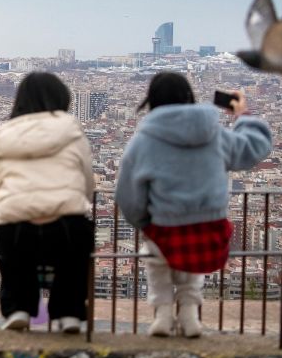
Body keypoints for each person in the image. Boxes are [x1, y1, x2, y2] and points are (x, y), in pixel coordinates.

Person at [115, 72, 272, 338]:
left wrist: (145, 223)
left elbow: (128, 195)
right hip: (210, 231)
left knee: (155, 259)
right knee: (190, 269)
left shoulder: (143, 141)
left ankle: (163, 314)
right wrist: (243, 114)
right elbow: (253, 148)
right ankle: (189, 316)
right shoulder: (214, 135)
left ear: (151, 102)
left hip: (165, 228)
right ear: (190, 97)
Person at [0, 72, 95, 333]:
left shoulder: (3, 135)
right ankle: (69, 314)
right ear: (62, 98)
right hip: (66, 227)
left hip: (15, 229)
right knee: (76, 250)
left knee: (13, 253)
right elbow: (87, 182)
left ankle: (18, 308)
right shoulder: (72, 132)